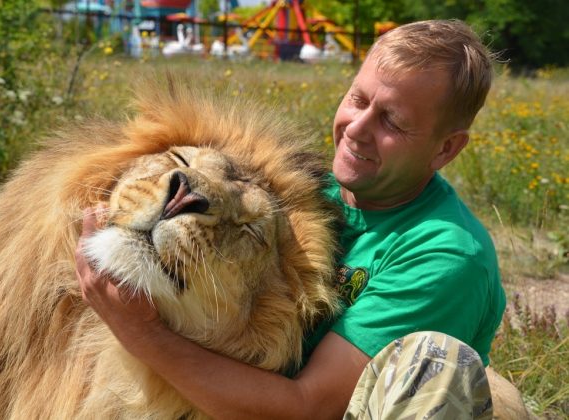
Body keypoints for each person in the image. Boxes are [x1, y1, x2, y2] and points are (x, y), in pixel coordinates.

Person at [76, 19, 506, 419]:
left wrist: (140, 331)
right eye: (358, 99)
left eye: (392, 120)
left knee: (434, 359)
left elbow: (307, 407)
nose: (356, 128)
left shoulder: (443, 255)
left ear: (446, 149)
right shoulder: (314, 193)